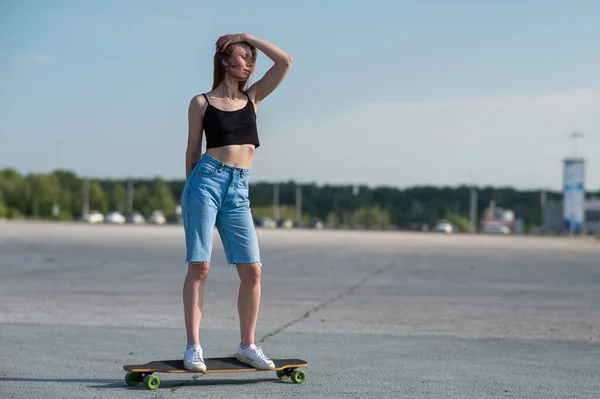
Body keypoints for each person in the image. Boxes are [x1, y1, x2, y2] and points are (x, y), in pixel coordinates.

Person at [180, 33, 293, 372]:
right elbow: (191, 150)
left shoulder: (252, 98)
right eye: (244, 56)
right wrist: (191, 193)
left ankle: (247, 346)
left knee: (253, 272)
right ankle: (193, 347)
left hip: (239, 190)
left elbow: (285, 62)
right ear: (225, 60)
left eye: (251, 59)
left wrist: (246, 37)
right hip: (205, 183)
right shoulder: (201, 102)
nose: (249, 63)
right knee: (200, 267)